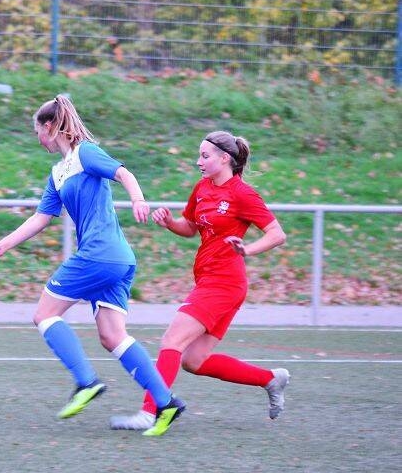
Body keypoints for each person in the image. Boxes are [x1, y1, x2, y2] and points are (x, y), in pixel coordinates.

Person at [0, 95, 184, 436]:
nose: (37, 138)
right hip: (117, 259)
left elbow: (123, 173)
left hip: (99, 254)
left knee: (44, 314)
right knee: (112, 336)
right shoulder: (57, 174)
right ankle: (166, 402)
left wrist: (138, 199)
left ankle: (86, 381)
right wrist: (4, 244)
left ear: (49, 127)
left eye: (37, 131)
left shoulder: (85, 153)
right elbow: (41, 217)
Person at [110, 130, 289, 431]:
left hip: (225, 282)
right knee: (194, 360)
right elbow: (191, 227)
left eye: (205, 156)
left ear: (225, 158)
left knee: (172, 340)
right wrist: (170, 223)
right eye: (199, 155)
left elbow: (277, 234)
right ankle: (270, 379)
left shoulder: (242, 193)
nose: (199, 161)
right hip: (209, 280)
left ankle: (151, 411)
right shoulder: (203, 187)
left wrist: (247, 250)